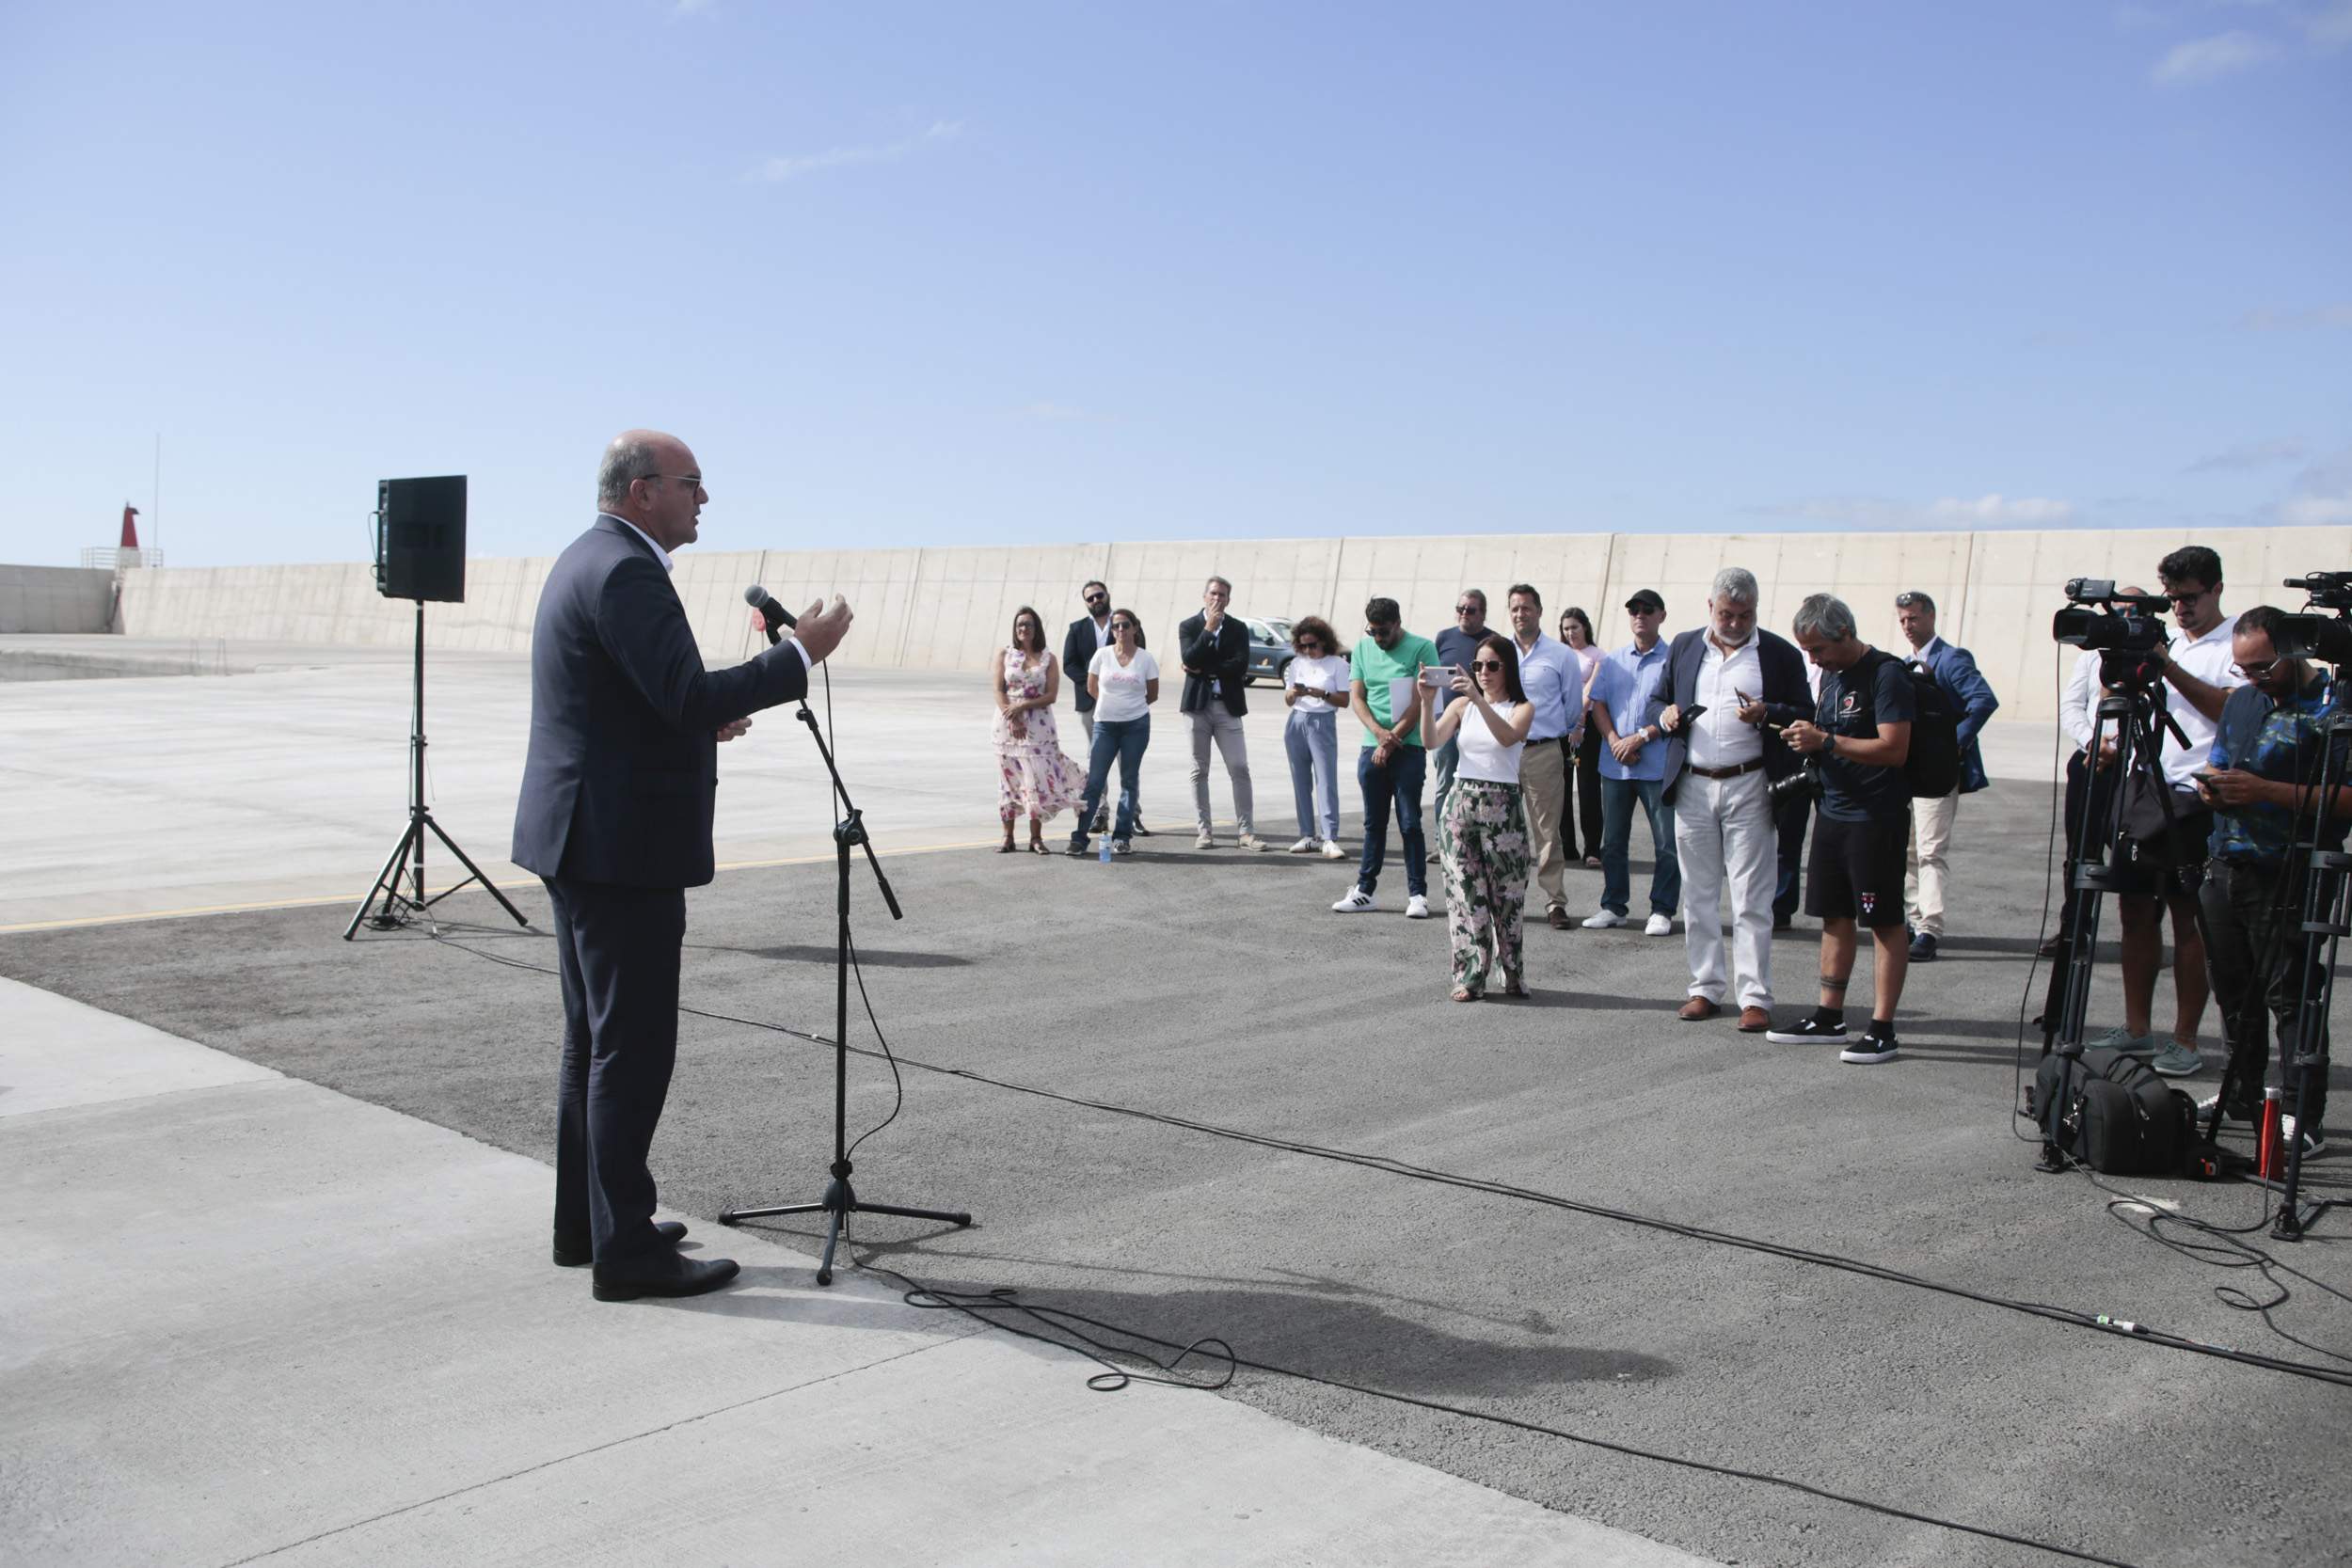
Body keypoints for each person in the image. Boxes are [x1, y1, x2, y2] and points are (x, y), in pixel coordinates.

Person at [513, 428, 852, 1301]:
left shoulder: (588, 559)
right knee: (630, 1051)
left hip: (582, 836)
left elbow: (651, 700)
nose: (704, 499)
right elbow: (687, 692)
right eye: (691, 483)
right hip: (617, 848)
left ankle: (590, 1225)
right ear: (642, 491)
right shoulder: (626, 571)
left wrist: (698, 719)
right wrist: (799, 654)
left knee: (594, 1042)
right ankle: (626, 1250)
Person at [2199, 606, 2346, 1156]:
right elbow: (2218, 763)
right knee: (2234, 990)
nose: (2254, 678)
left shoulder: (2333, 704)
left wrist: (2264, 791)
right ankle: (2242, 1093)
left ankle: (2302, 1115)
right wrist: (2213, 788)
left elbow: (2346, 799)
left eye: (2263, 666)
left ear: (2293, 651)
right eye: (2244, 669)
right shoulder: (2243, 700)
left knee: (2292, 995)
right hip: (2225, 863)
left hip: (2289, 868)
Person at [2099, 546, 2243, 1077]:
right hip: (2144, 787)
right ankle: (2137, 1028)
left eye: (2190, 598)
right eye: (2173, 598)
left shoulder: (2235, 644)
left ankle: (2185, 1039)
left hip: (2197, 795)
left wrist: (2168, 666)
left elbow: (2229, 711)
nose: (2180, 608)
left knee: (2190, 921)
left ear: (2216, 589)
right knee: (2135, 913)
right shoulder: (2168, 639)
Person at [1651, 568, 1810, 1031]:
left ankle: (1754, 997)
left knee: (1751, 896)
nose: (1736, 623)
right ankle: (1704, 987)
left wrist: (1767, 713)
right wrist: (1664, 715)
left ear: (1756, 610)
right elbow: (1657, 699)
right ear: (1710, 607)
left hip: (1750, 783)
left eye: (1745, 615)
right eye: (1727, 614)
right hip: (1693, 784)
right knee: (1698, 894)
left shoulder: (1778, 653)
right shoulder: (1685, 646)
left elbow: (1805, 711)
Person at [1764, 594, 1915, 1063]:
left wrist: (1826, 741)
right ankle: (1829, 1016)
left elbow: (1894, 749)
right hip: (1833, 810)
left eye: (1818, 649)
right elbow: (1829, 734)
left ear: (1845, 633)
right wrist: (1803, 733)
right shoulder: (1832, 676)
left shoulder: (1886, 675)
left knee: (1884, 921)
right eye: (1807, 651)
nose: (1814, 660)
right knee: (1834, 915)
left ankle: (1883, 1028)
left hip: (1876, 817)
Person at [1894, 591, 2000, 962]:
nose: (1908, 625)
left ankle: (1929, 928)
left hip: (1938, 773)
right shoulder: (1905, 664)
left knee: (1931, 850)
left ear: (1931, 616)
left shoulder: (1952, 659)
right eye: (1903, 619)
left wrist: (1954, 743)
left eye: (1914, 618)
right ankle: (1914, 919)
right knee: (1908, 850)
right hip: (1909, 770)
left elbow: (1983, 699)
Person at [1428, 634, 1536, 1000]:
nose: (1484, 672)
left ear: (1508, 668)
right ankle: (1471, 975)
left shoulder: (1522, 708)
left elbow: (1507, 738)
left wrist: (1478, 699)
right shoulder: (1461, 705)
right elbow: (1431, 740)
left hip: (1503, 807)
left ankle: (1512, 970)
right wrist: (1426, 702)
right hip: (1461, 802)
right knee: (1466, 894)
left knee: (1507, 897)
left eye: (1492, 665)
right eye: (1478, 665)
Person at [1333, 597, 1439, 917]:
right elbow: (1357, 697)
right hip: (1372, 745)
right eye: (1373, 631)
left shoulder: (1423, 648)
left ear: (1397, 624)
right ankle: (1365, 891)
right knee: (1373, 824)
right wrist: (1379, 734)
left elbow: (1422, 700)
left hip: (1409, 747)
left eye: (1384, 631)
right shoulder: (1363, 649)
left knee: (1410, 823)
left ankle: (1418, 895)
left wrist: (1391, 740)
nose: (1378, 638)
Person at [1584, 589, 1680, 934]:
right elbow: (1597, 703)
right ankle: (1613, 906)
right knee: (1612, 841)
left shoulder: (1673, 660)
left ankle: (1662, 909)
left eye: (1647, 609)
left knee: (1666, 842)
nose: (1639, 615)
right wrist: (1614, 741)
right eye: (1634, 610)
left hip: (1656, 763)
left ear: (1661, 616)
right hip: (1616, 764)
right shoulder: (1612, 660)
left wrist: (1640, 737)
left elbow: (1678, 711)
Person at [1504, 585, 1581, 930]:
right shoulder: (1499, 651)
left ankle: (1554, 902)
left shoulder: (1561, 655)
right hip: (1504, 752)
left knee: (1548, 832)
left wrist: (1548, 731)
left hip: (1543, 751)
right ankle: (1507, 898)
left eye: (1526, 608)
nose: (1520, 614)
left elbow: (1572, 708)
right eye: (1515, 608)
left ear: (1538, 610)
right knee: (1504, 829)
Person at [1178, 576, 1265, 850]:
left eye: (1223, 595)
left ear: (1229, 599)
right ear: (1204, 596)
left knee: (1239, 767)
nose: (1217, 599)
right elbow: (1189, 658)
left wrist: (1204, 669)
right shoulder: (1189, 626)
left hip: (1228, 706)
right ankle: (1204, 831)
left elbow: (1240, 665)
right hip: (1197, 707)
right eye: (1213, 593)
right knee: (1199, 770)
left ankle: (1246, 832)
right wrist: (1209, 629)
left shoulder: (1238, 628)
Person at [993, 607, 1086, 854]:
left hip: (1038, 726)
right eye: (1020, 625)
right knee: (1009, 779)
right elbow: (999, 690)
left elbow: (1051, 695)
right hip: (1007, 725)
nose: (1023, 629)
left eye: (1028, 624)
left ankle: (1035, 837)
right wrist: (1012, 715)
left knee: (1034, 780)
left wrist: (1023, 706)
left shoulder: (1048, 659)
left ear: (1037, 629)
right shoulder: (1005, 654)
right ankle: (1007, 836)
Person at [1067, 609, 1158, 855]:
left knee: (1129, 781)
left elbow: (1152, 694)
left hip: (1135, 726)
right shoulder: (1102, 655)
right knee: (1095, 783)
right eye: (1115, 626)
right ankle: (1080, 838)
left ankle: (1122, 837)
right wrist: (1111, 705)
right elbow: (1092, 687)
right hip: (1105, 726)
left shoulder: (1146, 659)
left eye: (1125, 625)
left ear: (1135, 628)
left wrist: (1129, 707)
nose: (1120, 630)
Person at [1428, 589, 1492, 862]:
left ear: (1483, 614)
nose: (1464, 613)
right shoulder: (1444, 637)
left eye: (1471, 609)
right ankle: (1442, 842)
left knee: (1477, 785)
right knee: (1445, 785)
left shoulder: (1492, 642)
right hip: (1446, 725)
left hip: (1477, 725)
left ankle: (1475, 842)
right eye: (1461, 608)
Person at [1281, 616, 1352, 858]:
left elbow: (1344, 700)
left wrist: (1321, 693)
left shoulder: (1338, 664)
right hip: (1297, 720)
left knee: (1326, 780)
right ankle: (1307, 835)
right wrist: (1294, 693)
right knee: (1300, 780)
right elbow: (1288, 699)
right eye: (1303, 646)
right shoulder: (1297, 663)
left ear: (1324, 641)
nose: (1308, 650)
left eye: (1312, 645)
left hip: (1322, 720)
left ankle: (1329, 837)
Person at [1559, 607, 1606, 867]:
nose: (1570, 633)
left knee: (1588, 787)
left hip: (1587, 730)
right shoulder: (1560, 654)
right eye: (1566, 628)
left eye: (1574, 627)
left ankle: (1592, 848)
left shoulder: (1597, 655)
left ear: (1585, 627)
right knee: (1562, 788)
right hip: (1561, 730)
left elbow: (1589, 691)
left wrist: (1578, 723)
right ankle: (1567, 846)